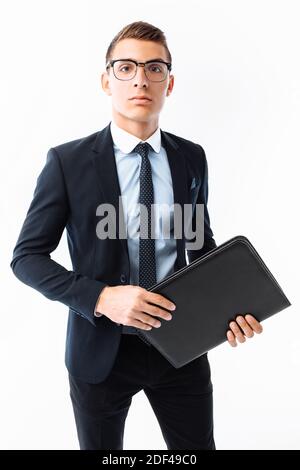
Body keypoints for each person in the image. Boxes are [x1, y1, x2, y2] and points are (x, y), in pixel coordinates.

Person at [10, 21, 263, 450]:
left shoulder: (191, 157)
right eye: (125, 68)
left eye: (154, 68)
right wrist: (102, 297)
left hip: (181, 345)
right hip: (100, 352)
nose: (141, 79)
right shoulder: (67, 162)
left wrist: (231, 309)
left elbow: (199, 242)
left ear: (170, 82)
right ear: (106, 80)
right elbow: (27, 257)